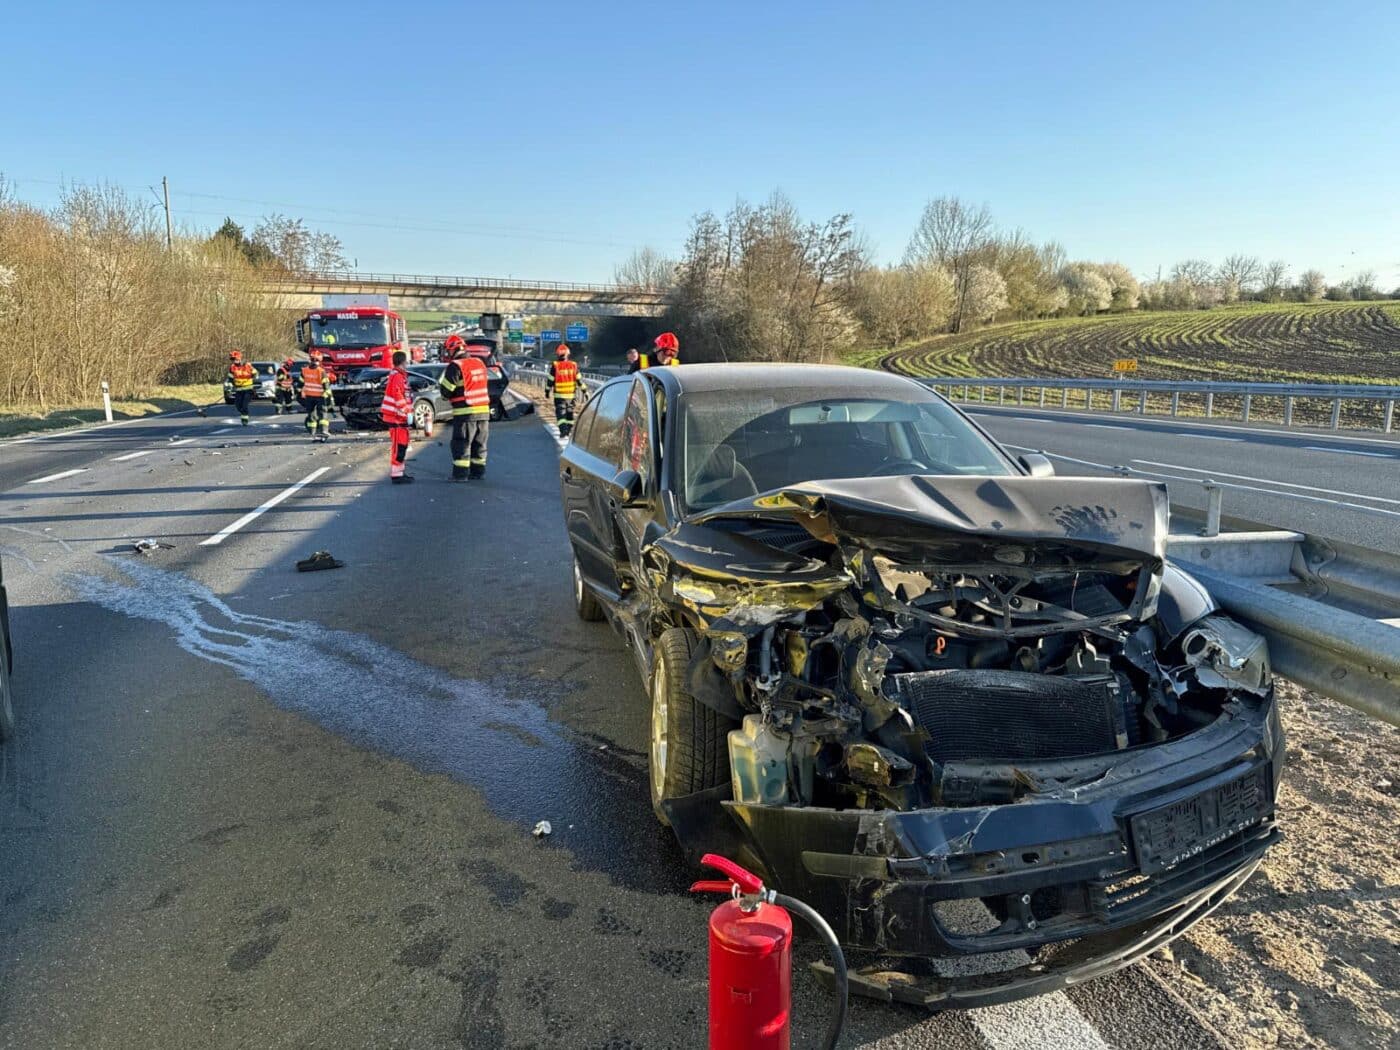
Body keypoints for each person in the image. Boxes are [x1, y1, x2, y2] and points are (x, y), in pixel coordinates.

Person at [438, 344, 491, 480]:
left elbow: (446, 391)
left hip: (466, 412)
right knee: (479, 444)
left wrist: (444, 392)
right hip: (484, 411)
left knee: (461, 443)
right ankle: (478, 472)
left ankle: (460, 475)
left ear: (453, 350)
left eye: (448, 351)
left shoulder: (455, 366)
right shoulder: (479, 363)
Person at [381, 350, 414, 484]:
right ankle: (397, 475)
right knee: (398, 447)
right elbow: (398, 395)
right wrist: (407, 411)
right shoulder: (398, 376)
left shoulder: (398, 375)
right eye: (406, 361)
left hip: (398, 418)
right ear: (403, 361)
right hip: (396, 417)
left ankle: (399, 472)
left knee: (402, 445)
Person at [545, 344, 582, 438]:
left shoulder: (555, 365)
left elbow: (550, 380)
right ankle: (568, 430)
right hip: (571, 396)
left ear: (558, 354)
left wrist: (547, 391)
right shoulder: (573, 365)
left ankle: (563, 430)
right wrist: (585, 391)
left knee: (561, 414)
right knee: (570, 413)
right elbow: (579, 380)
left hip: (559, 396)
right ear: (568, 354)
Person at [295, 350, 333, 442]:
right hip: (319, 397)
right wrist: (329, 398)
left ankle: (312, 432)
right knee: (322, 414)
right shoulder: (321, 372)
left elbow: (299, 385)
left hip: (309, 396)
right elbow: (326, 387)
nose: (314, 361)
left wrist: (299, 396)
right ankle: (323, 430)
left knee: (311, 414)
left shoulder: (304, 371)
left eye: (315, 360)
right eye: (314, 360)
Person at [227, 349, 256, 426]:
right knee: (238, 405)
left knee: (244, 405)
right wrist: (231, 385)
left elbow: (255, 373)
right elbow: (230, 378)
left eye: (235, 359)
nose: (234, 361)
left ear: (239, 358)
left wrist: (253, 375)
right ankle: (243, 413)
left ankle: (244, 420)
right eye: (232, 359)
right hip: (239, 390)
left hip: (248, 389)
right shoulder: (232, 367)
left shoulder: (247, 365)